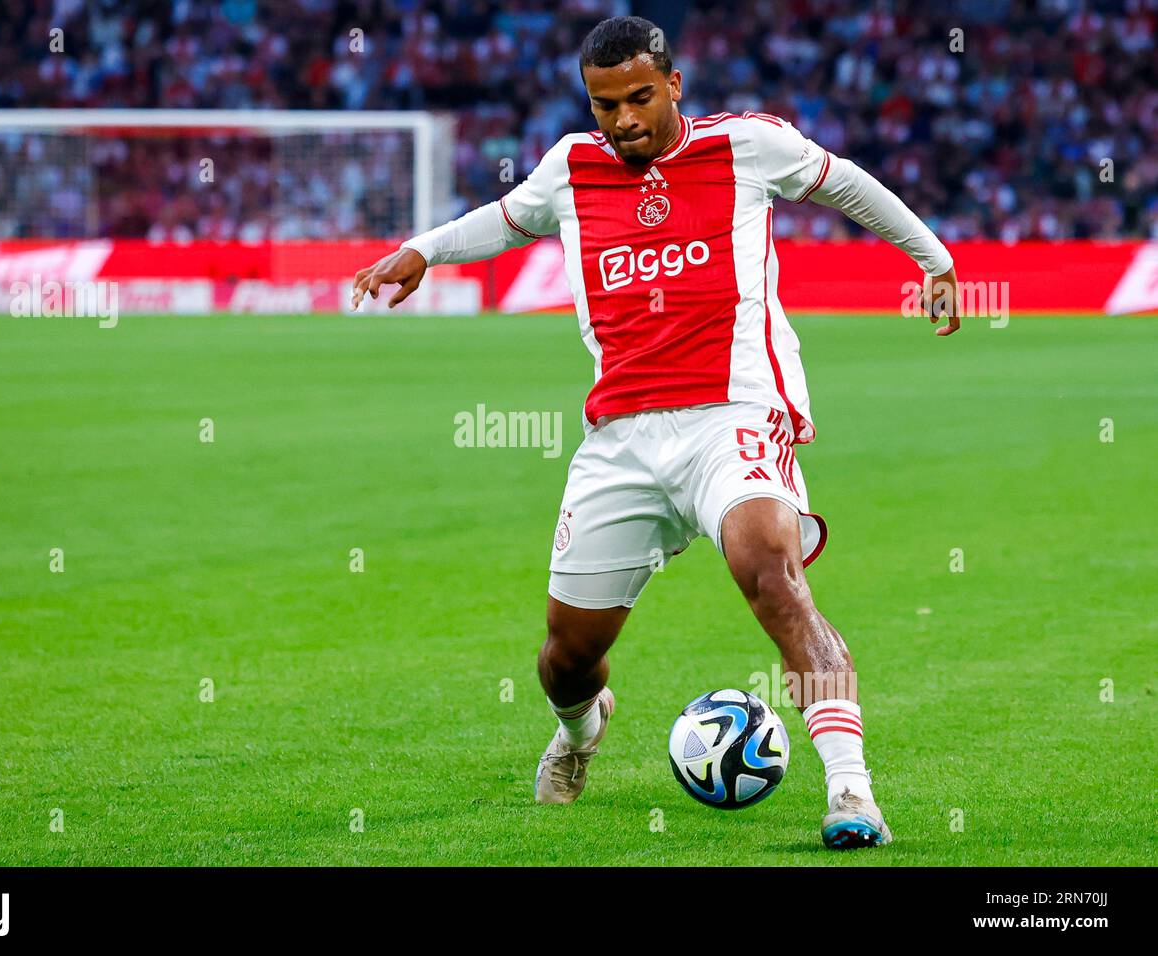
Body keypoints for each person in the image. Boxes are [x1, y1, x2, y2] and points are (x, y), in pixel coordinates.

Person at [350, 15, 959, 849]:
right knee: (565, 657)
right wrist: (422, 249)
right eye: (606, 105)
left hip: (733, 413)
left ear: (673, 85)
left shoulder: (746, 146)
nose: (625, 119)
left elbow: (845, 183)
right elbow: (505, 219)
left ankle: (852, 794)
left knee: (771, 573)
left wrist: (931, 259)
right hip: (623, 438)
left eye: (640, 97)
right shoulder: (570, 167)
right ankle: (579, 731)